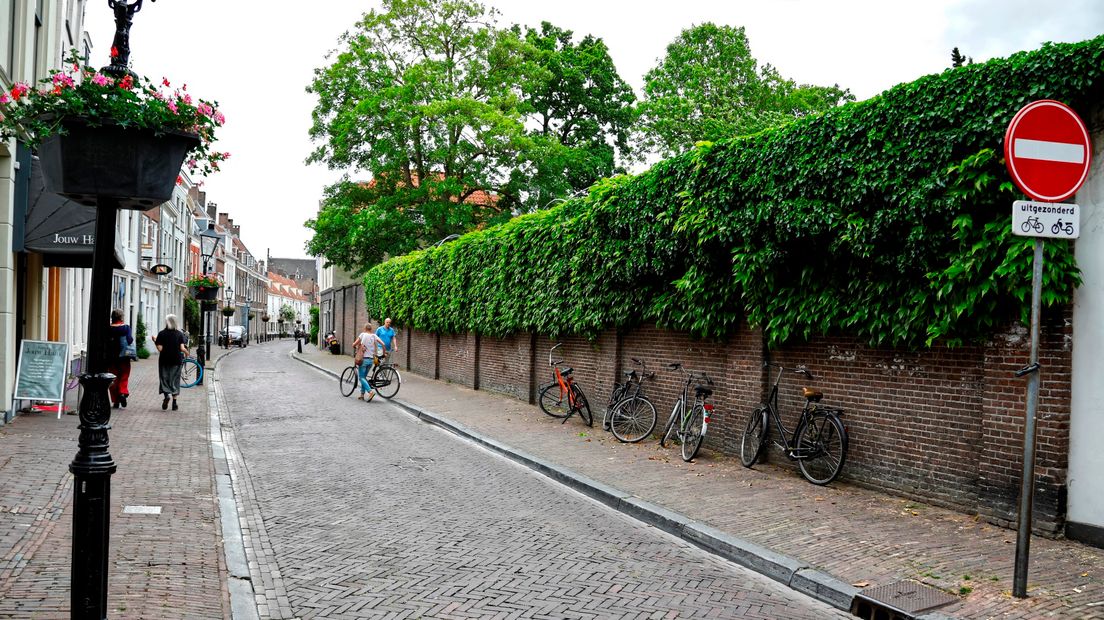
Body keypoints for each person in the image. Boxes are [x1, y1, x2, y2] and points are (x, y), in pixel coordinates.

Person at [154, 314, 189, 411]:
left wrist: (155, 341)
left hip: (164, 360)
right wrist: (187, 353)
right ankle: (174, 403)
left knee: (164, 379)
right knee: (175, 380)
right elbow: (182, 348)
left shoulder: (161, 334)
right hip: (176, 360)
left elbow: (160, 349)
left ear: (167, 322)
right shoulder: (179, 334)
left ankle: (166, 396)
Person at [107, 309, 134, 408]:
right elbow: (130, 340)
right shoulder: (126, 328)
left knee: (113, 378)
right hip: (124, 356)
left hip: (111, 358)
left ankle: (116, 401)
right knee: (124, 375)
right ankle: (123, 392)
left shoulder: (108, 328)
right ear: (121, 317)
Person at [353, 323, 385, 402]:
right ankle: (362, 395)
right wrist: (384, 353)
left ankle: (370, 392)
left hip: (363, 360)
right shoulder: (374, 336)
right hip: (371, 361)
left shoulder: (362, 334)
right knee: (364, 377)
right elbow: (383, 344)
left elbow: (354, 344)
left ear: (365, 328)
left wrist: (355, 346)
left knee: (361, 377)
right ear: (371, 329)